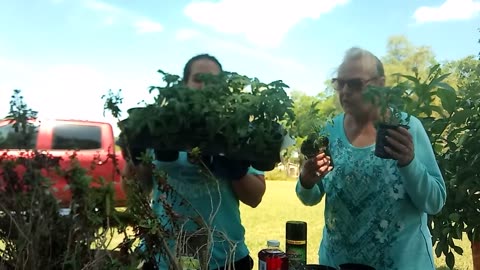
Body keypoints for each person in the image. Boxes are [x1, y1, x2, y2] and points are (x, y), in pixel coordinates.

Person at [296, 47, 446, 270]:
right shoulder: (329, 131)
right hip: (336, 265)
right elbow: (310, 197)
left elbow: (435, 202)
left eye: (355, 84)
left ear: (380, 84)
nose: (345, 91)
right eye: (340, 82)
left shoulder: (406, 129)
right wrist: (306, 181)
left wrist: (409, 163)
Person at [123, 54, 266, 270]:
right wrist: (134, 159)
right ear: (183, 85)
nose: (206, 86)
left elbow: (255, 197)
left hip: (224, 258)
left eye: (214, 82)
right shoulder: (160, 126)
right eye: (198, 79)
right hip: (164, 256)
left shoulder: (234, 130)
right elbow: (135, 194)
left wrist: (235, 169)